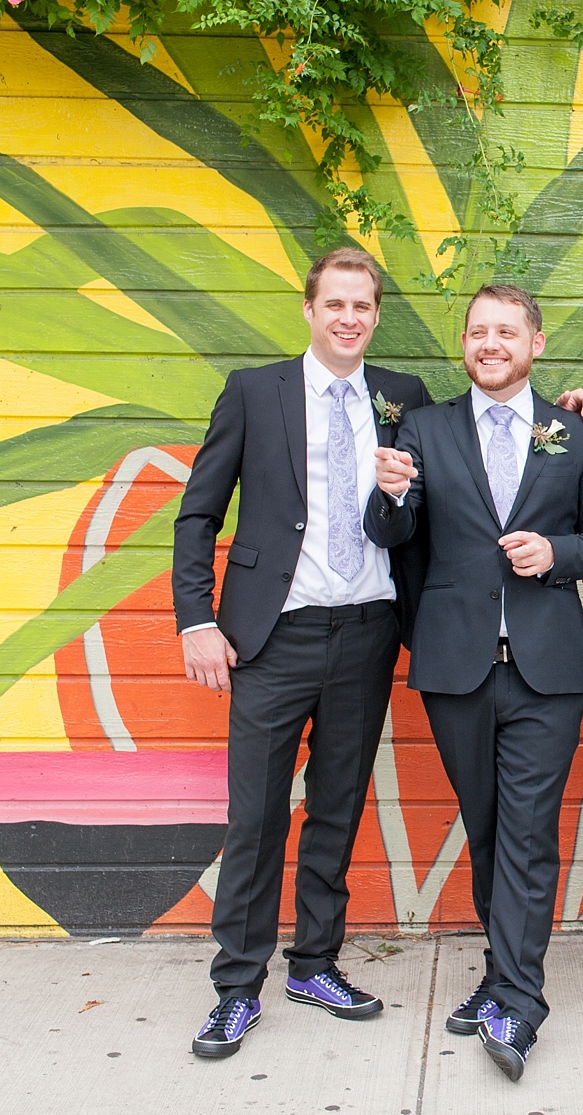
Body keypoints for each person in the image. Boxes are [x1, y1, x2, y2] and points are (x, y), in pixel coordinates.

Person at [173, 248, 432, 1057]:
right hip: (272, 637)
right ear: (310, 310)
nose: (349, 318)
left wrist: (399, 496)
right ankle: (236, 985)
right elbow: (198, 513)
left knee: (336, 808)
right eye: (335, 305)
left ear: (376, 314)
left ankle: (315, 961)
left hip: (365, 632)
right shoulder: (256, 391)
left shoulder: (403, 397)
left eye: (363, 306)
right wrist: (195, 618)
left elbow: (415, 520)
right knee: (254, 816)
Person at [365, 284, 583, 1081]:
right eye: (478, 331)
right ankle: (500, 968)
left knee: (527, 834)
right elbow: (392, 536)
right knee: (488, 828)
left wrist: (558, 555)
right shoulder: (425, 428)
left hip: (546, 666)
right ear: (466, 343)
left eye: (506, 330)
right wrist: (394, 494)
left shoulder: (580, 431)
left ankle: (519, 999)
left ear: (536, 342)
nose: (490, 342)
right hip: (456, 665)